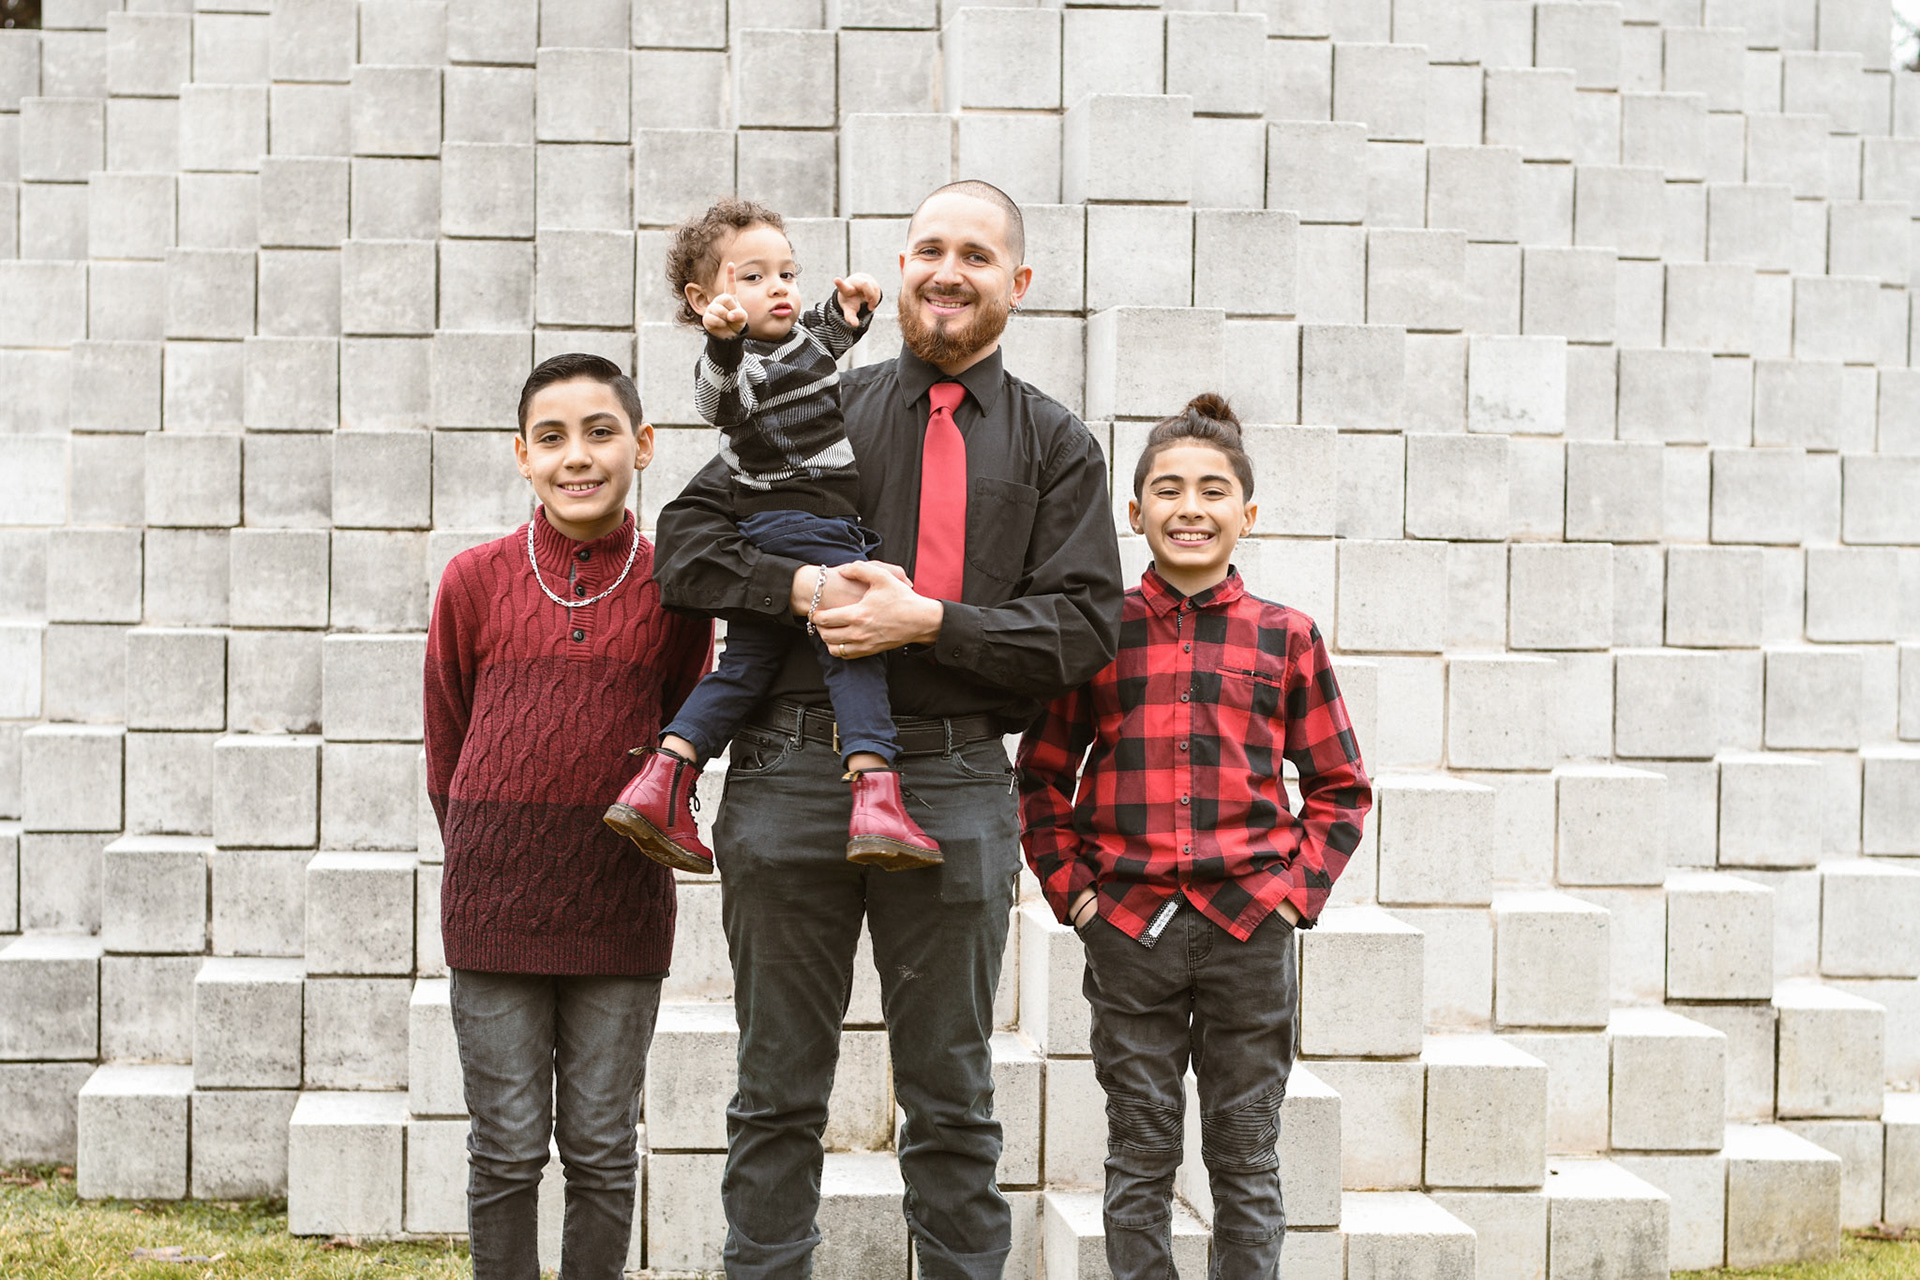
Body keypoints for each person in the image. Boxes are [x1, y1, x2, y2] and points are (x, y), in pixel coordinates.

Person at [653, 179, 1125, 1280]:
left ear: (1017, 282)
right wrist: (806, 587)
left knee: (953, 1100)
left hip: (955, 782)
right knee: (775, 1093)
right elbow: (684, 547)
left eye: (975, 254)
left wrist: (932, 621)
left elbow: (1082, 628)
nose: (947, 271)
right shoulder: (810, 397)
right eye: (928, 249)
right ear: (902, 266)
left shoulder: (1057, 444)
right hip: (791, 773)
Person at [1016, 395, 1373, 1280]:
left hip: (1250, 928)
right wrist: (1078, 896)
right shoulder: (1098, 631)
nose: (1190, 508)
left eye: (1214, 491)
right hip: (1128, 929)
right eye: (1168, 489)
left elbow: (1340, 787)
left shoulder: (1287, 637)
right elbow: (1041, 775)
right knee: (1140, 1149)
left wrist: (1292, 897)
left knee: (1246, 1154)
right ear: (1134, 512)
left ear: (1247, 514)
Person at [423, 353, 711, 1280]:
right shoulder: (472, 581)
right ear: (523, 455)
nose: (576, 456)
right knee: (506, 1148)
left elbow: (683, 721)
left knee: (600, 1147)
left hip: (620, 901)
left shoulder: (677, 586)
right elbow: (447, 740)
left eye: (600, 432)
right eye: (551, 438)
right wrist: (487, 856)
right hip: (493, 904)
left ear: (643, 444)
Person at [605, 197, 940, 876]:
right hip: (805, 523)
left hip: (784, 534)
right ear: (704, 299)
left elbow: (828, 339)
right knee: (853, 643)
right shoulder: (740, 365)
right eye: (753, 277)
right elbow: (719, 401)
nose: (779, 288)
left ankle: (664, 777)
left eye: (786, 273)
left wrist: (853, 307)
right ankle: (877, 793)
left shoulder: (796, 344)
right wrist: (723, 340)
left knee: (745, 666)